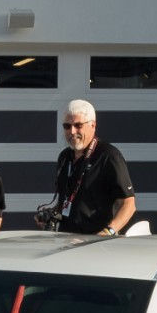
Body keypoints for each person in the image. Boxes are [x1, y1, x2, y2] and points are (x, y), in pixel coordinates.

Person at [47, 100, 135, 236]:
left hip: (97, 243)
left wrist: (108, 231)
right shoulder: (64, 157)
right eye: (67, 126)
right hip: (65, 239)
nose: (72, 131)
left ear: (93, 125)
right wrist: (51, 216)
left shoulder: (109, 156)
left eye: (78, 125)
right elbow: (69, 200)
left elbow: (129, 204)